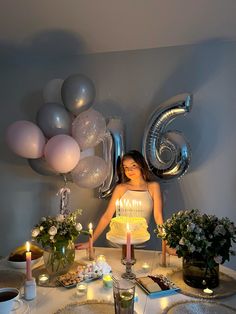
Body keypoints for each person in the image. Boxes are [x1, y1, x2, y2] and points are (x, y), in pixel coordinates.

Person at [76, 150, 169, 252]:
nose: (129, 170)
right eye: (126, 167)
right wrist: (90, 241)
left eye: (133, 165)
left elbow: (158, 216)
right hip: (119, 244)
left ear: (141, 165)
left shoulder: (153, 187)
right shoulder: (121, 188)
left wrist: (167, 245)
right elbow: (107, 216)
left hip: (143, 244)